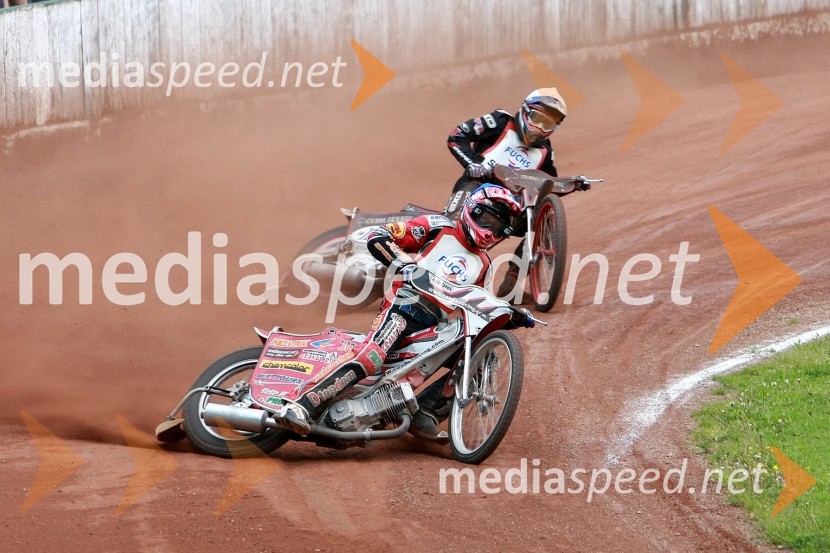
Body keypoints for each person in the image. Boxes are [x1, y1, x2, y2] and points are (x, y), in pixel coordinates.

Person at [281, 184, 535, 440]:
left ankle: (427, 411)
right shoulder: (438, 225)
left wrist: (511, 315)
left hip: (437, 325)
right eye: (487, 219)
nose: (490, 230)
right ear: (473, 210)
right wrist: (403, 263)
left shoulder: (484, 265)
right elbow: (378, 235)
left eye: (498, 226)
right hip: (403, 306)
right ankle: (302, 404)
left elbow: (480, 308)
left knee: (483, 354)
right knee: (373, 355)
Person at [444, 87, 588, 299]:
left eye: (547, 124)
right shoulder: (499, 121)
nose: (539, 128)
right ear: (525, 111)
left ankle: (512, 281)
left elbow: (546, 185)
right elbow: (457, 136)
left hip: (510, 208)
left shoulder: (545, 152)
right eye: (537, 119)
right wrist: (473, 164)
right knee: (448, 228)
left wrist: (572, 184)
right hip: (477, 186)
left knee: (541, 218)